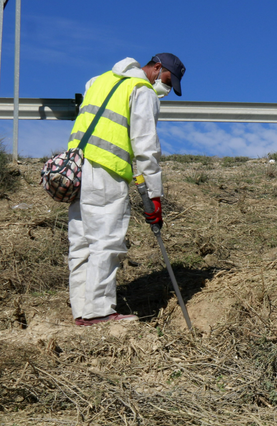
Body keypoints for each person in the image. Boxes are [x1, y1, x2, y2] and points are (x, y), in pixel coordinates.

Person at [66, 53, 186, 326]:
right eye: (167, 80)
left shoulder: (99, 80)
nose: (165, 89)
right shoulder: (142, 91)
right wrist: (154, 196)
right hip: (105, 171)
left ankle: (82, 312)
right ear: (157, 68)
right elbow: (146, 147)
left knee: (81, 244)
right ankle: (99, 312)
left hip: (76, 171)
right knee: (106, 241)